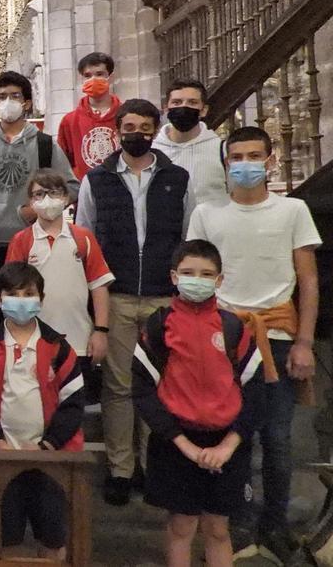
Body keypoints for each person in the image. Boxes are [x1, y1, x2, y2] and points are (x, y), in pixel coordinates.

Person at [187, 126, 321, 562]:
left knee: (278, 438)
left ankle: (276, 523)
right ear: (225, 165)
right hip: (224, 338)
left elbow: (309, 280)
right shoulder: (208, 213)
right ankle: (237, 521)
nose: (244, 163)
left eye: (253, 155)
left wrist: (304, 341)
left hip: (278, 335)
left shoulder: (293, 210)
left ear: (270, 160)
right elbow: (196, 275)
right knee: (232, 435)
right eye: (236, 157)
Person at [75, 98, 191, 506]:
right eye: (129, 127)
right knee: (119, 386)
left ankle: (154, 466)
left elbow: (189, 237)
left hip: (164, 296)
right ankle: (121, 468)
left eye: (144, 127)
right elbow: (85, 241)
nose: (136, 134)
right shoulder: (97, 180)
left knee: (160, 385)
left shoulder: (177, 177)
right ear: (117, 131)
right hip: (119, 295)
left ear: (155, 129)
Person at [133, 240, 265, 567]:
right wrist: (183, 445)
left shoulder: (235, 327)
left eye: (207, 274)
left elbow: (256, 392)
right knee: (181, 525)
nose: (198, 279)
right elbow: (143, 391)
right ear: (174, 277)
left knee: (218, 529)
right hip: (176, 443)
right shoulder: (158, 325)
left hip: (227, 444)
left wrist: (229, 445)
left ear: (219, 280)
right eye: (189, 273)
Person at [0, 261, 84, 561]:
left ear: (41, 299)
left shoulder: (59, 347)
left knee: (53, 539)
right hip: (1, 459)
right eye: (13, 294)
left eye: (29, 293)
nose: (22, 300)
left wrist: (48, 445)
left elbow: (73, 402)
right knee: (5, 538)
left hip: (50, 459)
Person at [0, 71, 77, 329]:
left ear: (27, 103)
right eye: (2, 97)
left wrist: (42, 208)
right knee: (1, 313)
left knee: (39, 307)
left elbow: (72, 186)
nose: (7, 101)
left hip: (37, 238)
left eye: (14, 96)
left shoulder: (45, 145)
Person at [6, 169, 113, 397]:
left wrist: (101, 331)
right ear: (30, 202)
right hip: (34, 342)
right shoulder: (21, 240)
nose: (47, 200)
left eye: (53, 193)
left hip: (79, 341)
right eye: (39, 194)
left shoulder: (83, 238)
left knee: (74, 409)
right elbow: (11, 290)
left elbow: (99, 286)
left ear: (65, 197)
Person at [153, 80, 228, 210]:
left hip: (209, 227)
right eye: (177, 102)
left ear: (203, 110)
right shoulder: (152, 150)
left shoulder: (221, 150)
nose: (184, 107)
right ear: (166, 108)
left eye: (192, 102)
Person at [57, 52, 122, 180]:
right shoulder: (70, 121)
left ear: (111, 77)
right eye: (87, 76)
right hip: (85, 191)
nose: (93, 79)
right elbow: (62, 164)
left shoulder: (126, 114)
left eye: (99, 74)